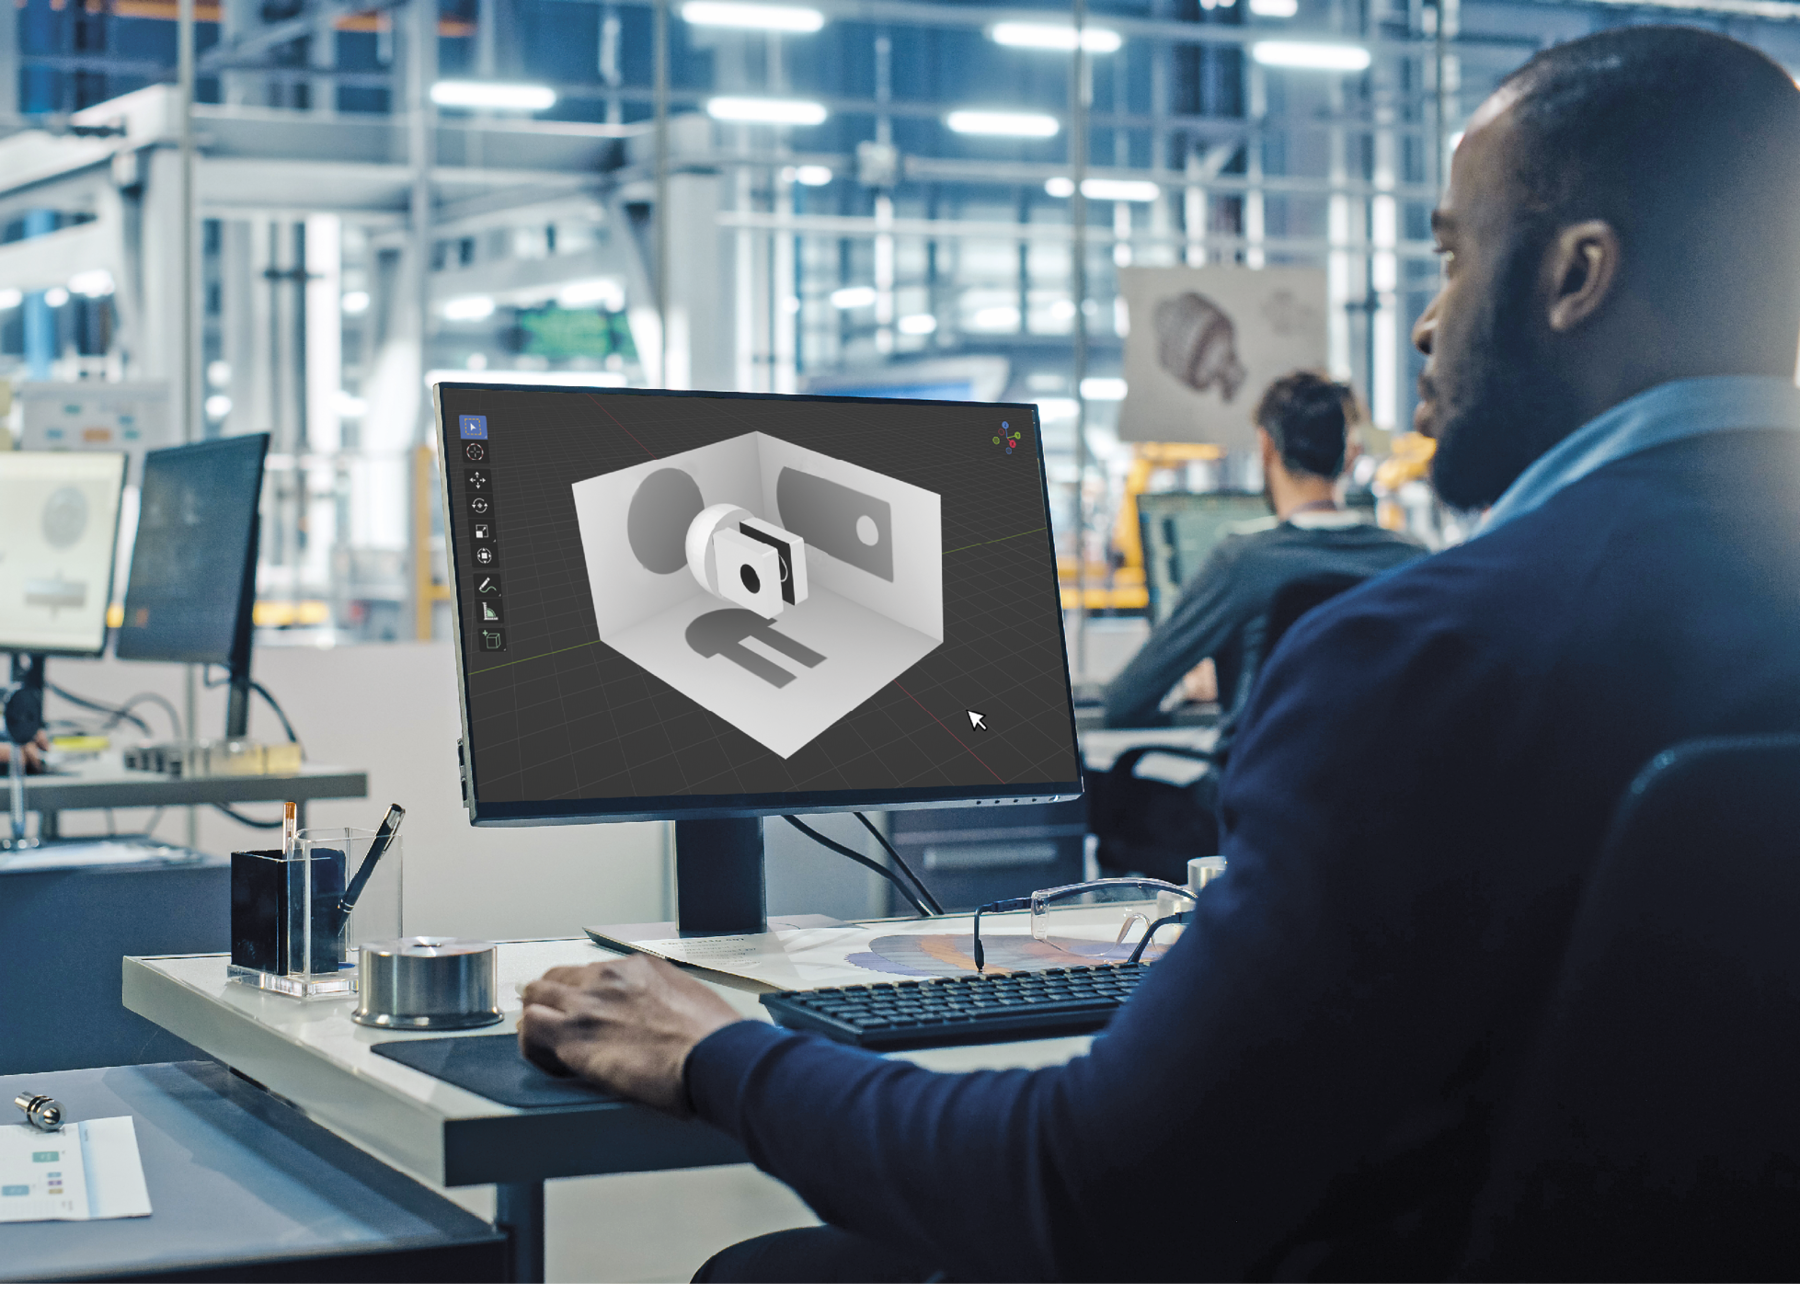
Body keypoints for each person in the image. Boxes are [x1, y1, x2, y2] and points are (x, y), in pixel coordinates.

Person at [518, 27, 1800, 1282]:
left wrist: (720, 1055)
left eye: (1454, 259)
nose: (1423, 324)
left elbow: (1081, 1196)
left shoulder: (1427, 658)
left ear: (1577, 276)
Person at [1102, 371, 1424, 731]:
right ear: (1350, 456)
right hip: (1384, 783)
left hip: (1267, 783)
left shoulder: (1241, 563)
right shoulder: (1412, 561)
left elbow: (1125, 702)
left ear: (1267, 446)